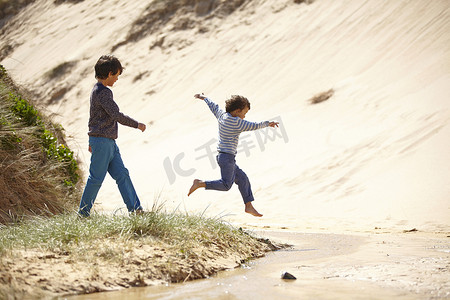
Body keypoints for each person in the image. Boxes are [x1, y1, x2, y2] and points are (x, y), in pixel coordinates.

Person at [188, 93, 279, 217]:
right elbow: (254, 126)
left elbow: (214, 106)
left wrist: (204, 98)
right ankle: (200, 183)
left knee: (242, 179)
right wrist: (268, 123)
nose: (244, 116)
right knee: (226, 185)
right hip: (227, 158)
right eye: (244, 113)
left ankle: (248, 206)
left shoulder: (222, 115)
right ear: (237, 111)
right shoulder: (237, 123)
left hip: (224, 157)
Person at [78, 55, 146, 217]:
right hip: (102, 142)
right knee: (95, 179)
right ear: (109, 74)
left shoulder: (97, 90)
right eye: (116, 75)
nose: (116, 79)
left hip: (107, 143)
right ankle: (82, 214)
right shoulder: (103, 92)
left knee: (122, 174)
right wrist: (137, 124)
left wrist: (91, 140)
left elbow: (92, 117)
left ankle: (136, 210)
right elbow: (116, 115)